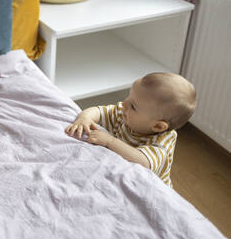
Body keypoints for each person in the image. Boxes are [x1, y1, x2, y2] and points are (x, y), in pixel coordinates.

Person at [65, 72, 196, 187]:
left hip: (148, 186)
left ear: (157, 126)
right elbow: (100, 111)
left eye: (133, 106)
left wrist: (110, 141)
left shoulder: (161, 145)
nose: (123, 104)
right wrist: (85, 118)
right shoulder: (126, 114)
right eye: (129, 97)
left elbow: (142, 161)